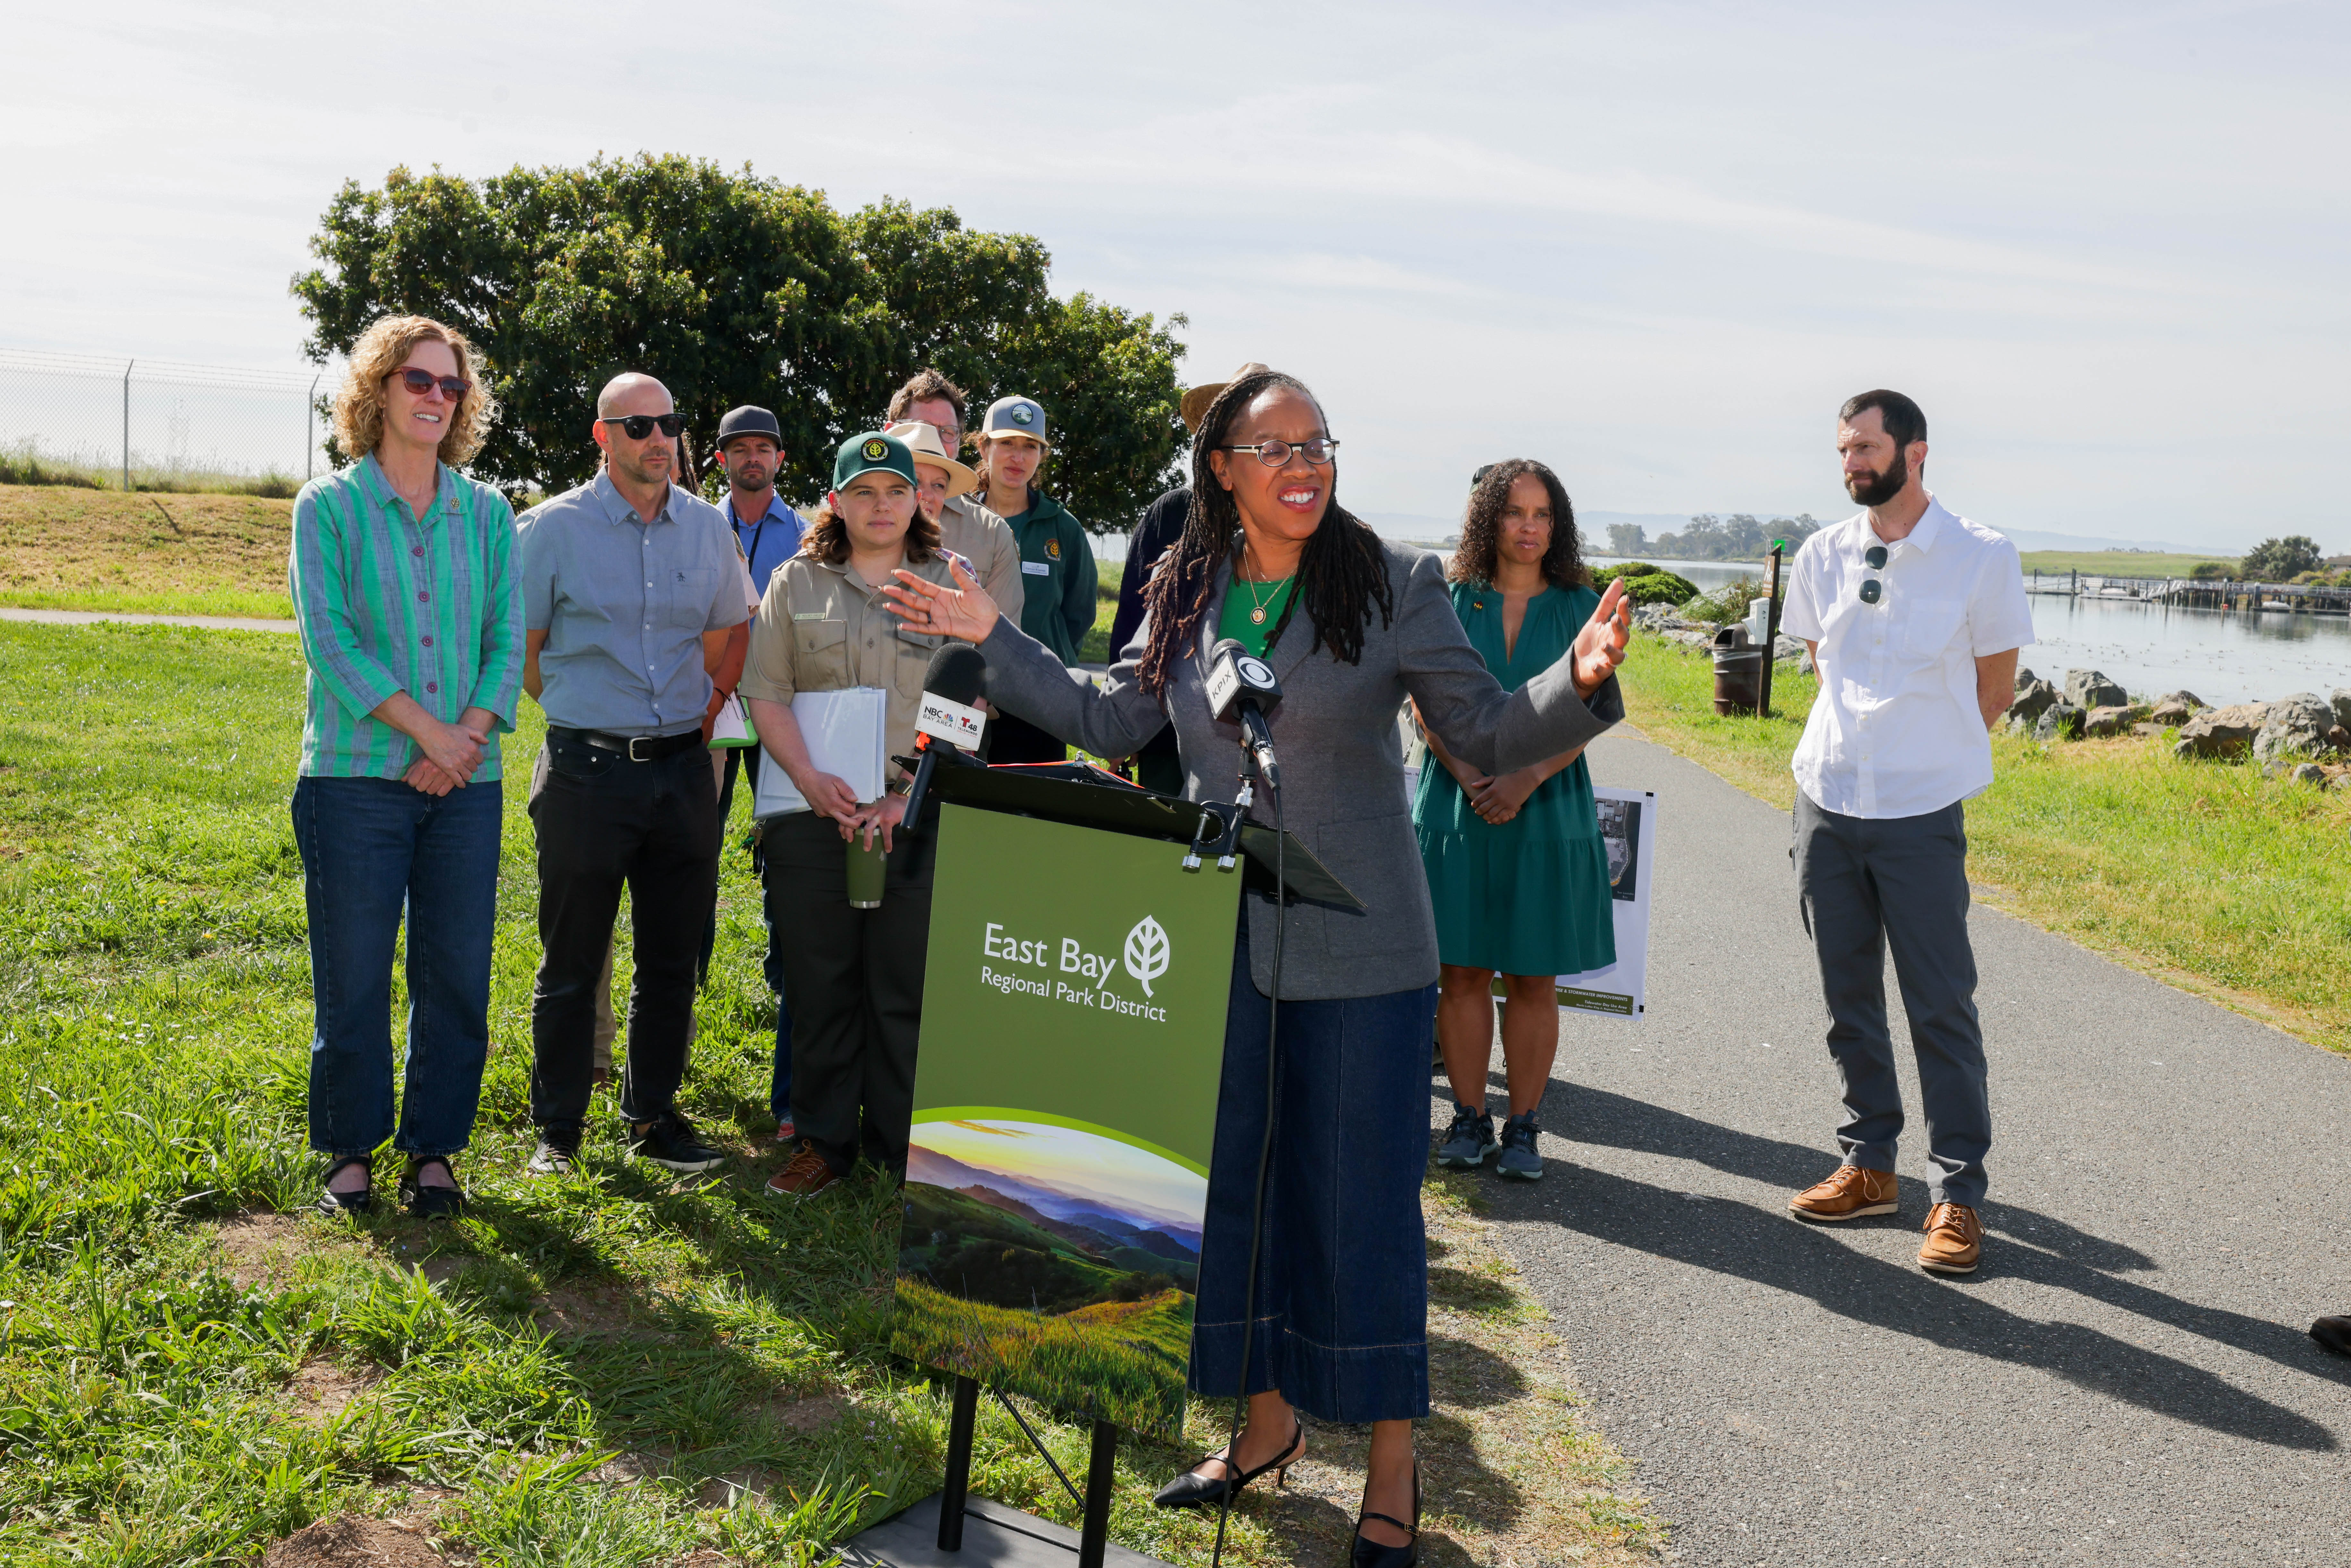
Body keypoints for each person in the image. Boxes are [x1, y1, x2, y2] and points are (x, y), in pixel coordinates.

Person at [884, 370, 1633, 1568]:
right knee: (1231, 1200)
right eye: (1274, 444)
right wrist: (994, 638)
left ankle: (1393, 1465)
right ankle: (1265, 1427)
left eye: (1318, 442)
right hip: (1215, 948)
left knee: (1362, 1212)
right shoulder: (1183, 579)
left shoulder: (1390, 584)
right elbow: (1118, 715)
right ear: (1221, 466)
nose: (1305, 462)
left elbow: (1487, 732)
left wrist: (1580, 682)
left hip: (1366, 954)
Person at [1780, 389, 2034, 1276]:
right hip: (1827, 803)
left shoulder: (1979, 556)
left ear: (1913, 452)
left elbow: (1993, 690)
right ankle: (1867, 1165)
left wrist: (1918, 756)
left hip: (1920, 815)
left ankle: (1957, 1194)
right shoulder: (1821, 553)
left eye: (1862, 447)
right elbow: (1823, 669)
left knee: (1939, 1007)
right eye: (1841, 449)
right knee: (1846, 1000)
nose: (1848, 462)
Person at [289, 313, 521, 1220]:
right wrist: (431, 734)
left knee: (457, 970)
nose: (435, 397)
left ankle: (434, 1150)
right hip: (352, 781)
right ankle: (350, 1148)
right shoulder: (330, 507)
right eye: (417, 380)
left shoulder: (489, 513)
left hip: (467, 784)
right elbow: (331, 643)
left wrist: (461, 741)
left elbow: (507, 642)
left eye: (451, 385)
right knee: (353, 971)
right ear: (377, 389)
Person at [516, 373, 749, 1177]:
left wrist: (705, 709)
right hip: (586, 772)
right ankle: (558, 1132)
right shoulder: (549, 529)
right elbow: (525, 652)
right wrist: (593, 717)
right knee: (571, 959)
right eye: (640, 425)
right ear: (602, 436)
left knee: (671, 959)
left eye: (670, 424)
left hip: (684, 770)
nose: (660, 439)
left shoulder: (708, 531)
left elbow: (728, 633)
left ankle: (653, 1118)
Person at [741, 432, 960, 1199]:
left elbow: (970, 708)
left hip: (914, 816)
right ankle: (825, 1145)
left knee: (905, 988)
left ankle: (904, 1155)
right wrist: (807, 779)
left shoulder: (948, 586)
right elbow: (763, 691)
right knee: (819, 984)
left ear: (918, 501)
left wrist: (907, 796)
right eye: (862, 492)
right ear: (834, 502)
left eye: (895, 491)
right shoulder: (794, 584)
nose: (880, 506)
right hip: (811, 819)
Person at [1419, 461, 1615, 1182]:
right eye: (1514, 512)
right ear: (1487, 519)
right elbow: (1425, 700)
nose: (1529, 527)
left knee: (1534, 977)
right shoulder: (1446, 595)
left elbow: (1594, 710)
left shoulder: (1579, 605)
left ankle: (1524, 1126)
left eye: (1542, 514)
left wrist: (1525, 777)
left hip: (1549, 805)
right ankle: (1467, 1119)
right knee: (1462, 972)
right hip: (1455, 803)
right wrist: (1474, 776)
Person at [709, 402, 806, 1142]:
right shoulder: (695, 525)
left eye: (763, 448)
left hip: (775, 712)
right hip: (710, 710)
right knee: (691, 848)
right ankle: (687, 981)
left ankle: (785, 978)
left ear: (780, 459)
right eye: (738, 449)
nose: (752, 459)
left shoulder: (805, 534)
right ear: (721, 461)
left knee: (782, 845)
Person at [1108, 362, 1271, 795]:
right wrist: (1121, 721)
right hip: (1164, 722)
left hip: (1266, 730)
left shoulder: (1291, 525)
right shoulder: (1170, 512)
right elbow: (1130, 617)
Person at [970, 393, 1095, 764]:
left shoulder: (1063, 528)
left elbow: (1079, 613)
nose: (1018, 457)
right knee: (959, 799)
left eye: (1030, 446)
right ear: (983, 446)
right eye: (1006, 443)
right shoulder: (959, 520)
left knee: (1032, 809)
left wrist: (1038, 664)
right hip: (967, 692)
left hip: (1038, 700)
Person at [886, 369, 1024, 616]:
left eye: (948, 433)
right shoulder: (857, 519)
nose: (935, 443)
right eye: (923, 428)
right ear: (890, 432)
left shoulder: (992, 533)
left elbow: (1003, 639)